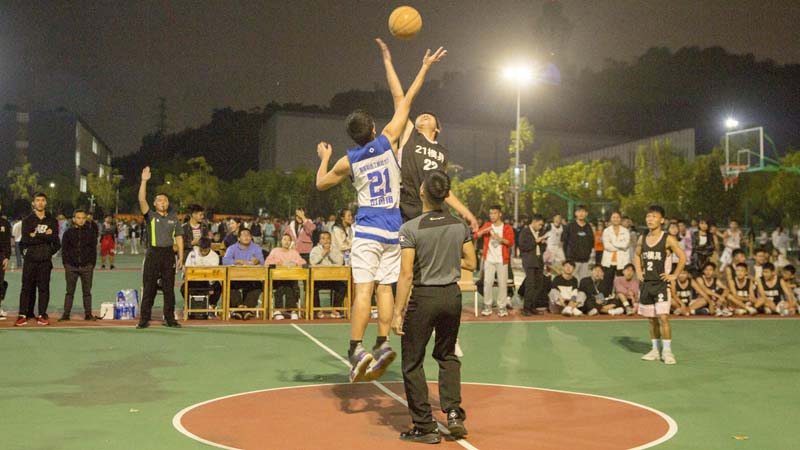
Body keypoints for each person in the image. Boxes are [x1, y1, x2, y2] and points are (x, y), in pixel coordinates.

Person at [315, 43, 445, 382]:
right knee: (385, 288)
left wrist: (324, 158)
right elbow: (406, 98)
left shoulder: (348, 161)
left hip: (368, 227)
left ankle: (356, 349)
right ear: (373, 129)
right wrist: (423, 66)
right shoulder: (388, 139)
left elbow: (320, 184)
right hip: (393, 227)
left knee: (364, 290)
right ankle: (383, 343)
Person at [392, 170, 476, 443]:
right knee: (447, 355)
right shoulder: (459, 226)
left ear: (422, 193)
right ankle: (453, 413)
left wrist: (397, 312)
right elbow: (471, 262)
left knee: (412, 361)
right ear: (446, 195)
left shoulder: (411, 228)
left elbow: (406, 274)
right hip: (452, 296)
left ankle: (425, 426)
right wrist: (449, 260)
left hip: (425, 297)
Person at [376, 38, 478, 232]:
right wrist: (390, 63)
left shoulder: (443, 153)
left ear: (437, 129)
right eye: (422, 115)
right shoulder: (409, 134)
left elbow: (444, 189)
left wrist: (467, 212)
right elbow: (399, 97)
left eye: (430, 116)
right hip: (407, 211)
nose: (424, 115)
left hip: (434, 214)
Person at [635, 204, 685, 365]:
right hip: (647, 284)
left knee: (663, 317)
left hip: (661, 284)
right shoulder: (642, 238)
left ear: (662, 220)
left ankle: (667, 351)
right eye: (648, 216)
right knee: (651, 319)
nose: (650, 219)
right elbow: (637, 255)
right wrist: (638, 271)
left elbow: (682, 257)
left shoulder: (668, 238)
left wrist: (674, 275)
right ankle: (655, 350)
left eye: (654, 216)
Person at [136, 167, 184, 329]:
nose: (163, 202)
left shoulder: (174, 219)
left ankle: (170, 319)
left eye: (165, 200)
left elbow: (179, 237)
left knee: (169, 289)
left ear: (168, 203)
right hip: (153, 254)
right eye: (160, 200)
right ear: (155, 204)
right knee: (149, 288)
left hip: (168, 255)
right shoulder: (150, 215)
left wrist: (181, 257)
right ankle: (144, 319)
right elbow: (142, 200)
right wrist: (144, 181)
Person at [15, 192, 61, 326]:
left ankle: (42, 314)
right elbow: (25, 240)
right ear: (33, 203)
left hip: (45, 261)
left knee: (44, 288)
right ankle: (22, 314)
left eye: (42, 200)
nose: (40, 203)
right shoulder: (27, 220)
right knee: (26, 288)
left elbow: (56, 242)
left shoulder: (52, 220)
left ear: (46, 202)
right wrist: (45, 236)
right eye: (37, 200)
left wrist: (47, 251)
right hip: (30, 260)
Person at [59, 209, 98, 321]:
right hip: (71, 267)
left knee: (87, 292)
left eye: (83, 218)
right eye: (78, 218)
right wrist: (66, 264)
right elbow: (64, 250)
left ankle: (88, 314)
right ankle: (66, 314)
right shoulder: (68, 233)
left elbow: (93, 250)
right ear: (74, 219)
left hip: (87, 266)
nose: (81, 220)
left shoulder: (91, 233)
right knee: (69, 292)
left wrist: (91, 264)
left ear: (86, 219)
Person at [475, 205, 514, 317]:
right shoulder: (487, 225)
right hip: (489, 259)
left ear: (500, 214)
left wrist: (499, 238)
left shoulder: (506, 227)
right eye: (491, 213)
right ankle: (487, 305)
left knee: (502, 284)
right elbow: (476, 235)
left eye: (494, 213)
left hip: (502, 260)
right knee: (487, 283)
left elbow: (510, 242)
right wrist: (485, 231)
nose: (492, 215)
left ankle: (502, 307)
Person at [222, 228, 265, 319]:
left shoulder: (256, 248)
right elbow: (225, 261)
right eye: (244, 235)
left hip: (251, 277)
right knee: (229, 285)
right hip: (235, 277)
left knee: (258, 286)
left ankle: (247, 308)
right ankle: (238, 308)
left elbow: (262, 262)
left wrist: (257, 261)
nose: (246, 237)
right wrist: (237, 261)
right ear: (238, 238)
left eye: (248, 235)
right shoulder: (232, 248)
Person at [265, 234, 307, 320]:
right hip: (277, 278)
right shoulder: (275, 251)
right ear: (281, 241)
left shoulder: (294, 252)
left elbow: (302, 262)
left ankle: (292, 310)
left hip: (290, 278)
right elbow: (267, 262)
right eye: (284, 239)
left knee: (291, 288)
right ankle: (278, 310)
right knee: (280, 287)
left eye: (288, 240)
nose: (286, 242)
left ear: (291, 242)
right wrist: (277, 263)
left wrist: (295, 264)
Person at [309, 230, 346, 318]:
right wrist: (323, 254)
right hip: (319, 279)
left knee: (342, 286)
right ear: (319, 240)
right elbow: (312, 262)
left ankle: (336, 310)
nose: (326, 240)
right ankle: (317, 311)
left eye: (328, 238)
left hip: (333, 278)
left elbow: (340, 262)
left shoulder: (335, 249)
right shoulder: (315, 250)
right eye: (323, 238)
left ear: (331, 240)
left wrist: (329, 253)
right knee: (313, 287)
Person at [183, 237, 222, 316]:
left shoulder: (214, 256)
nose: (203, 252)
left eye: (205, 250)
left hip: (208, 281)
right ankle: (191, 305)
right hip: (194, 280)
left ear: (209, 248)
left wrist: (210, 284)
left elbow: (213, 273)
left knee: (218, 287)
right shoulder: (192, 254)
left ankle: (211, 305)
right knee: (183, 288)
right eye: (201, 250)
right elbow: (186, 268)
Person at [518, 213, 547, 316]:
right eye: (539, 224)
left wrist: (543, 243)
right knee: (530, 285)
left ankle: (533, 307)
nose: (541, 227)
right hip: (529, 261)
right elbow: (523, 246)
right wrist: (536, 241)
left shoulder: (540, 232)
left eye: (542, 225)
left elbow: (542, 248)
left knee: (538, 285)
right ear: (534, 222)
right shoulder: (525, 232)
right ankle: (526, 308)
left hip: (539, 260)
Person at [562, 205, 594, 280]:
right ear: (575, 213)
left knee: (584, 281)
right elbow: (564, 242)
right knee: (572, 280)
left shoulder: (588, 227)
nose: (581, 214)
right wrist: (566, 258)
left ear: (586, 214)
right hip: (572, 260)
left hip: (585, 260)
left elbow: (591, 243)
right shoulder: (570, 226)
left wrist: (589, 256)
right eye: (579, 211)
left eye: (583, 212)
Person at [601, 211, 630, 292]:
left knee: (621, 281)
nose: (615, 219)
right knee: (607, 281)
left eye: (617, 217)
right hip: (609, 261)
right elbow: (607, 246)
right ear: (611, 219)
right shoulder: (606, 231)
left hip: (622, 261)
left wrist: (613, 242)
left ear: (620, 219)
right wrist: (619, 246)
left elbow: (625, 245)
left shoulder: (625, 231)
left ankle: (620, 297)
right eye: (614, 217)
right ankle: (606, 296)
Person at [0, 209, 10, 319]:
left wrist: (7, 257)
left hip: (1, 256)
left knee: (1, 282)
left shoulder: (4, 223)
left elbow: (7, 241)